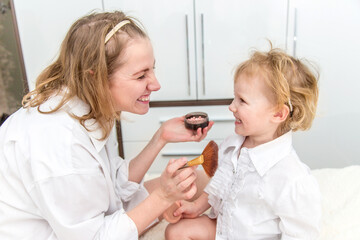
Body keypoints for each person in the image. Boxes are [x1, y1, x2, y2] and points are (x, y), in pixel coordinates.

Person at [0, 11, 213, 239]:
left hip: (87, 220)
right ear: (97, 77)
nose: (156, 84)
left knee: (201, 179)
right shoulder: (60, 142)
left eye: (152, 69)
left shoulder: (91, 105)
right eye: (141, 76)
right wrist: (162, 197)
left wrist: (160, 137)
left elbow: (116, 183)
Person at [165, 46, 322, 240]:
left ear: (278, 114)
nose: (231, 106)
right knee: (175, 232)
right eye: (234, 97)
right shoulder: (234, 145)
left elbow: (301, 234)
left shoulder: (292, 179)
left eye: (242, 101)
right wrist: (197, 207)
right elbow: (220, 183)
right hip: (225, 228)